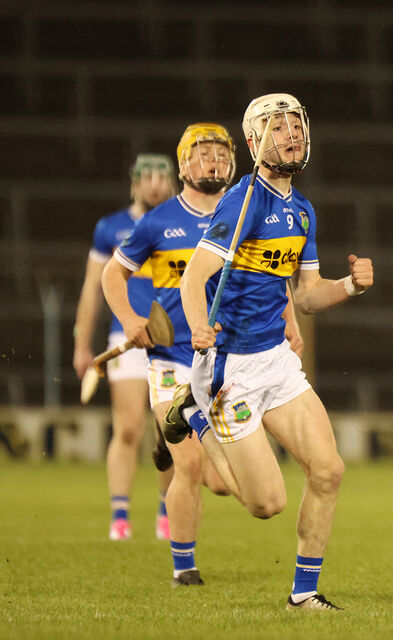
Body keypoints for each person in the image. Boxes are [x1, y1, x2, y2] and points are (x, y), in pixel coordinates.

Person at [166, 93, 373, 610]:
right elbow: (194, 279)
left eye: (295, 123)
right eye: (277, 126)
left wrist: (349, 286)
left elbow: (304, 295)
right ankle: (195, 415)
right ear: (255, 141)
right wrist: (196, 326)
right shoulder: (242, 203)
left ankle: (303, 596)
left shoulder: (302, 211)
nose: (291, 133)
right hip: (230, 366)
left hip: (276, 359)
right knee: (267, 505)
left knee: (329, 471)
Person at [101, 123, 261, 586]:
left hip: (227, 363)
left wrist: (288, 321)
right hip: (171, 361)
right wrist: (131, 321)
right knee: (190, 465)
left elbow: (267, 275)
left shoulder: (245, 215)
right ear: (184, 164)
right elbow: (113, 277)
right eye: (203, 153)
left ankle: (164, 445)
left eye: (220, 153)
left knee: (220, 481)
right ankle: (184, 568)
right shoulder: (157, 221)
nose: (213, 161)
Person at [73, 153, 176, 541]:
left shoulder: (180, 222)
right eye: (146, 177)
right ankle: (120, 515)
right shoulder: (110, 229)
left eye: (162, 177)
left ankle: (167, 510)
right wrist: (82, 343)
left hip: (171, 339)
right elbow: (91, 289)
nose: (154, 184)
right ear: (133, 184)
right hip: (126, 339)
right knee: (129, 427)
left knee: (167, 429)